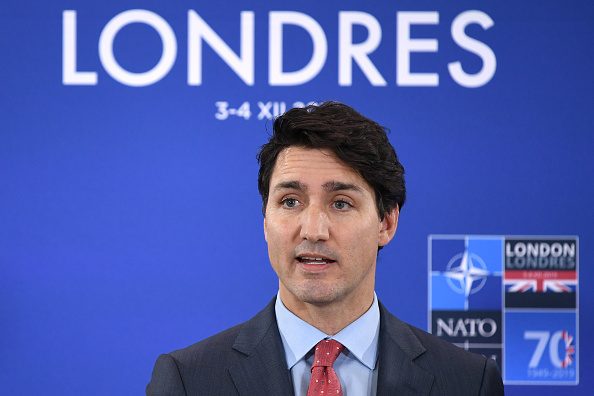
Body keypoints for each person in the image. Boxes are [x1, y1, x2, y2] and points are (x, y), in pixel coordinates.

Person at [146, 101, 505, 395]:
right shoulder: (187, 382)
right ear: (265, 220)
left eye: (341, 203)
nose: (313, 230)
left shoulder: (468, 382)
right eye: (290, 201)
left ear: (386, 223)